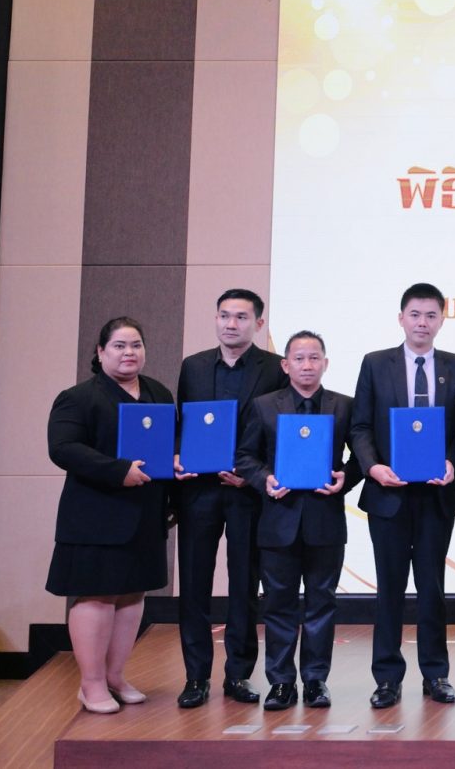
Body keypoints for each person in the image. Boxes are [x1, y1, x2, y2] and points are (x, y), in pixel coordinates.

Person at [349, 282, 455, 708]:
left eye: (431, 315)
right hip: (388, 493)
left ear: (442, 319)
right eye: (415, 315)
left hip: (436, 496)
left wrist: (452, 462)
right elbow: (360, 426)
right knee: (389, 588)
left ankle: (436, 673)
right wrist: (373, 467)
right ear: (401, 318)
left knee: (432, 587)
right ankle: (387, 678)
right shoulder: (375, 363)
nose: (423, 323)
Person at [46, 317, 172, 714]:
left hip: (146, 513)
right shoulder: (78, 397)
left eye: (136, 345)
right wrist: (119, 471)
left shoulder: (158, 393)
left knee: (132, 594)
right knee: (97, 596)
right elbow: (63, 448)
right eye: (119, 345)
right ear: (100, 352)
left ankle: (116, 676)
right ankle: (92, 683)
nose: (129, 353)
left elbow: (167, 445)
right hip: (95, 515)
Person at [172, 288, 288, 708]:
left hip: (246, 493)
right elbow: (183, 424)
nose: (231, 324)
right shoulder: (194, 366)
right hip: (198, 491)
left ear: (258, 323)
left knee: (244, 586)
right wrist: (179, 456)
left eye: (241, 317)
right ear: (216, 319)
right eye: (224, 315)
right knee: (194, 586)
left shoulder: (275, 368)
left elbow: (279, 431)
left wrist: (252, 475)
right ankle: (196, 676)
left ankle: (238, 674)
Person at [235, 330, 360, 711]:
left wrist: (345, 477)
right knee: (278, 604)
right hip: (278, 520)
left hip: (325, 520)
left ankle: (316, 681)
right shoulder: (263, 405)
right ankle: (281, 682)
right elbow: (245, 457)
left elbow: (361, 456)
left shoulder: (344, 406)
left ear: (325, 363)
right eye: (300, 358)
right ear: (285, 365)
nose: (307, 365)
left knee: (322, 603)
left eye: (314, 358)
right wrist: (265, 480)